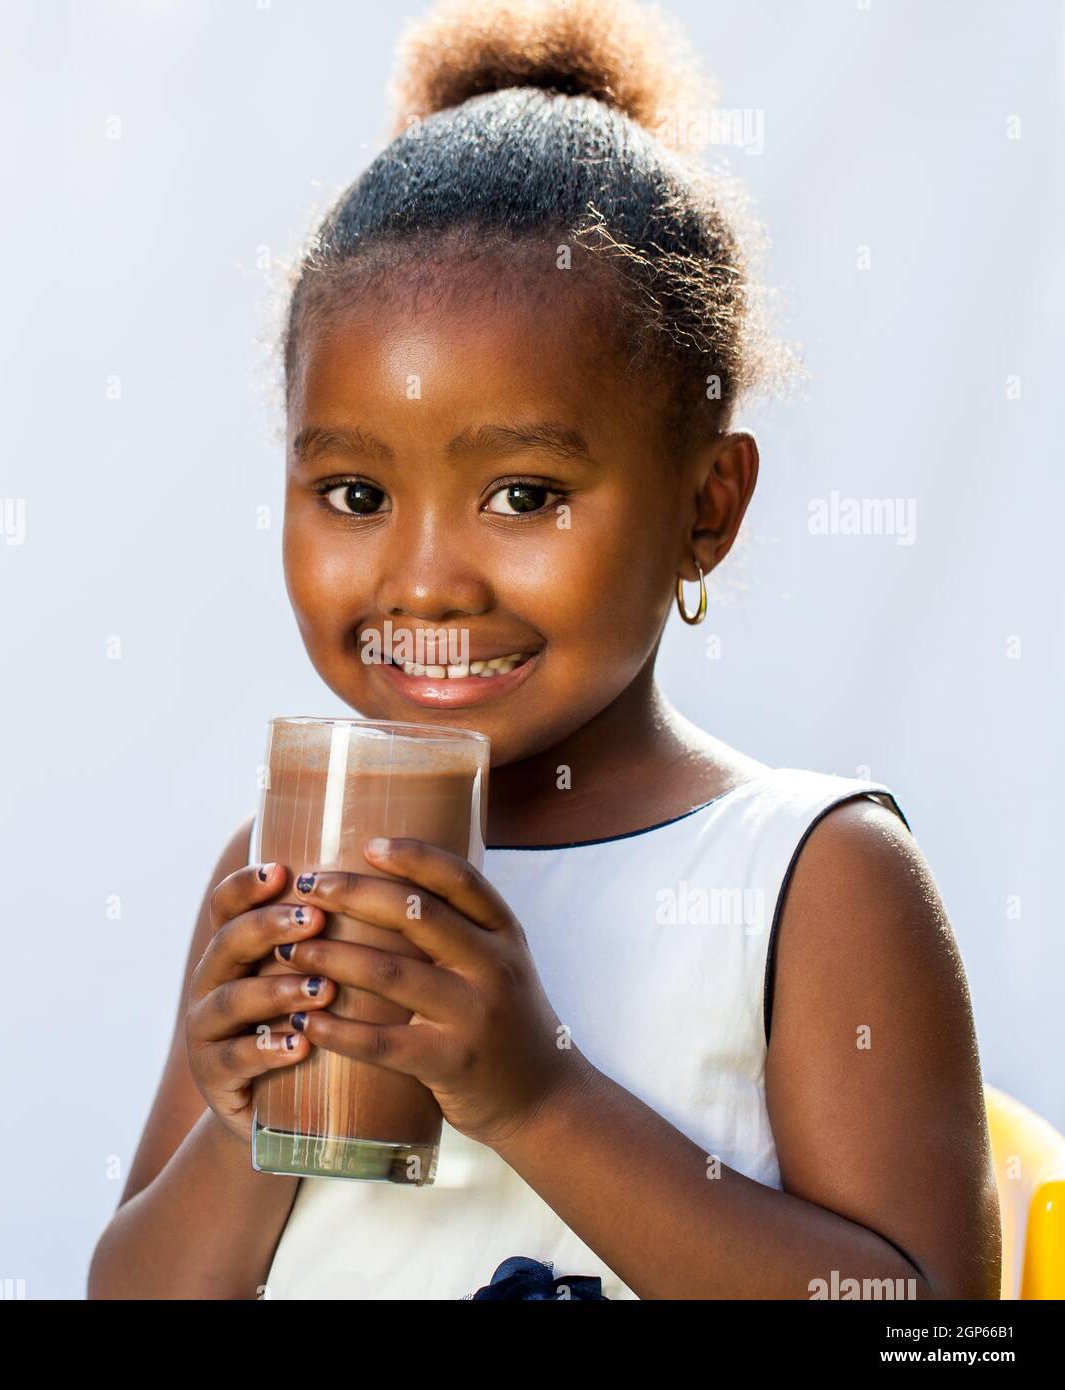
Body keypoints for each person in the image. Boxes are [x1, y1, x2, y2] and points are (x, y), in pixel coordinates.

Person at [89, 0, 1000, 1299]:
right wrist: (250, 1125)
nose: (424, 577)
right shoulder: (280, 867)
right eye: (354, 494)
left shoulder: (815, 878)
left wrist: (538, 1093)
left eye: (523, 494)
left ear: (708, 507)